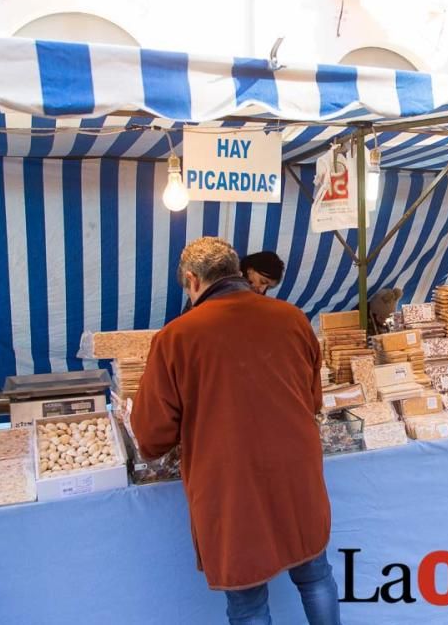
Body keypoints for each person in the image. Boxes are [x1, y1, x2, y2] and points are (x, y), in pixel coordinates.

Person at [133, 237, 340, 625]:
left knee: (248, 604)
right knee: (315, 577)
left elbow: (151, 436)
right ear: (236, 272)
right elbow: (313, 400)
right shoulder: (293, 318)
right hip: (297, 473)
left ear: (193, 280)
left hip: (230, 485)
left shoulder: (175, 337)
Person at [182, 250, 285, 314]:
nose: (262, 290)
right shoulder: (219, 283)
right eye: (262, 281)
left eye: (269, 287)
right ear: (250, 270)